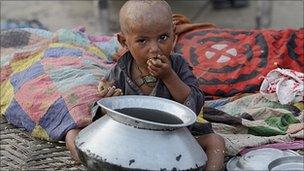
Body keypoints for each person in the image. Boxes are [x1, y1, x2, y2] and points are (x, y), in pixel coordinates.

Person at [65, 1, 225, 170]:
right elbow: (103, 114)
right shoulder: (121, 69)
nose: (155, 49)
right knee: (72, 134)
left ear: (173, 34)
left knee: (215, 141)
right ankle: (91, 164)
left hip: (172, 140)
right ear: (124, 41)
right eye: (142, 41)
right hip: (130, 139)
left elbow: (195, 102)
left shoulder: (177, 65)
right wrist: (108, 104)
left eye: (163, 37)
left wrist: (169, 76)